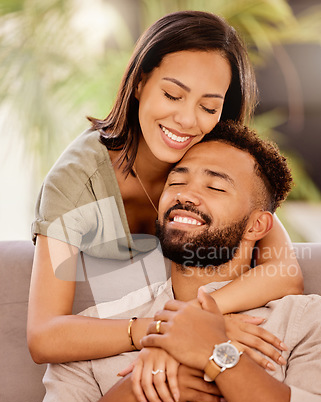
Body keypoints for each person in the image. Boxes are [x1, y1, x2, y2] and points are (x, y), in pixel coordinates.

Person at [1, 121, 321, 402]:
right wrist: (134, 388)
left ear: (259, 224)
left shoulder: (309, 321)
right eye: (176, 182)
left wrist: (217, 356)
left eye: (215, 186)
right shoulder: (95, 329)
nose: (187, 195)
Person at [27, 10, 303, 368]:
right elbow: (43, 334)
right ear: (140, 84)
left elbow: (285, 272)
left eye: (208, 106)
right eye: (173, 95)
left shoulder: (209, 158)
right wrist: (166, 329)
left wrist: (200, 320)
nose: (188, 120)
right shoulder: (78, 181)